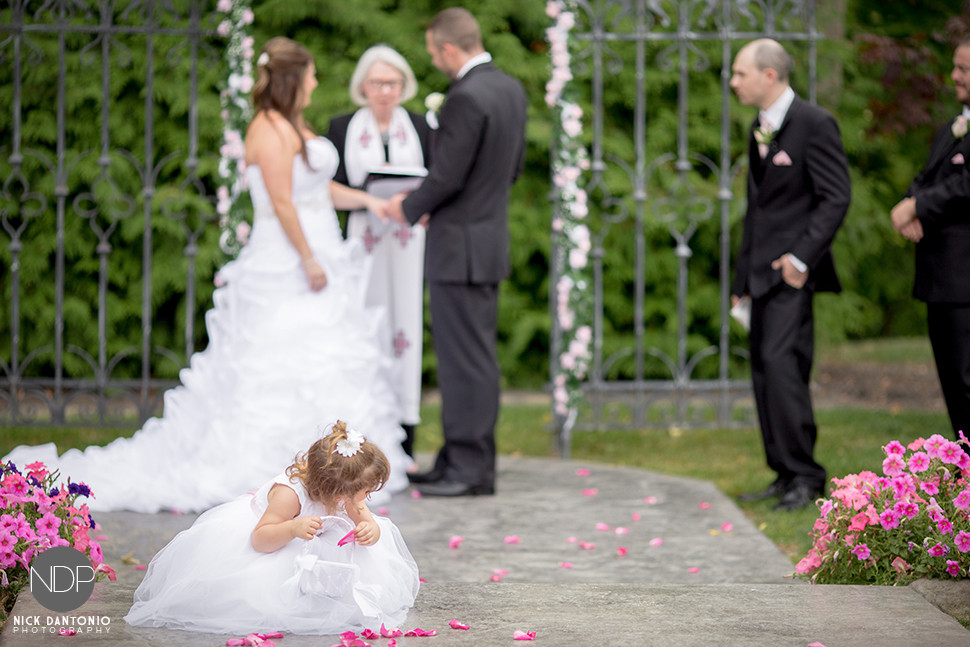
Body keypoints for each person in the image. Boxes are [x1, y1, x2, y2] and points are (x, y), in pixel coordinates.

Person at [3, 37, 413, 512]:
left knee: (328, 353)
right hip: (287, 261)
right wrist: (308, 258)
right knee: (279, 358)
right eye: (311, 74)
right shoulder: (268, 128)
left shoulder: (293, 125)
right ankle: (283, 463)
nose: (317, 81)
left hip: (320, 251)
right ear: (293, 80)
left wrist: (368, 201)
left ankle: (338, 467)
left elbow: (316, 189)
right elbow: (281, 201)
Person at [385, 8, 528, 497]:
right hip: (485, 239)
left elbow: (447, 175)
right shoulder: (510, 89)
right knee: (470, 356)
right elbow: (511, 168)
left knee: (464, 360)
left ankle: (470, 467)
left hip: (459, 246)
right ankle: (456, 458)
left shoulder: (466, 96)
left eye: (432, 52)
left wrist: (405, 208)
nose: (433, 60)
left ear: (449, 48)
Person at [124, 422, 419, 634]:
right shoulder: (290, 494)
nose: (364, 501)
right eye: (362, 494)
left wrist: (371, 530)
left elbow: (365, 519)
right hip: (277, 540)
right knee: (265, 594)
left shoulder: (348, 494)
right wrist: (292, 528)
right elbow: (260, 539)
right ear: (332, 490)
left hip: (316, 549)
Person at [729, 39, 851, 511]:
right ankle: (782, 472)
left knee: (784, 370)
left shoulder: (815, 124)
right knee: (763, 370)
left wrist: (800, 259)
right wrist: (741, 281)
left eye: (741, 74)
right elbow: (757, 212)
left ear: (770, 76)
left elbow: (836, 196)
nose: (734, 82)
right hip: (759, 275)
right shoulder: (758, 128)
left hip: (792, 274)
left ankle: (806, 475)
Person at [327, 44, 434, 459]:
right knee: (363, 328)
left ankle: (405, 436)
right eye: (377, 83)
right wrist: (371, 201)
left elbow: (438, 180)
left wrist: (417, 204)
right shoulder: (342, 128)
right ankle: (357, 438)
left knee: (406, 329)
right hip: (363, 239)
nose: (384, 91)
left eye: (392, 83)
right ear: (363, 86)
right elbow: (329, 187)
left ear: (403, 85)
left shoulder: (423, 127)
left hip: (410, 241)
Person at [890, 37, 970, 441]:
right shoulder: (952, 128)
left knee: (967, 380)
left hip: (966, 281)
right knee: (954, 384)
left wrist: (917, 205)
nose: (954, 76)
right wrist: (910, 202)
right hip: (942, 281)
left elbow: (965, 186)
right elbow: (926, 177)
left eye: (964, 69)